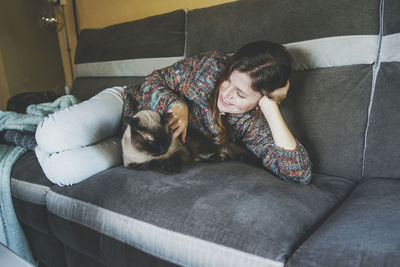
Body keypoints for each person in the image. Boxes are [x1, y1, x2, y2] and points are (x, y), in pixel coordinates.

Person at [35, 40, 312, 186]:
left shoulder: (252, 124)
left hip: (137, 148)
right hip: (126, 105)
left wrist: (270, 108)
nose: (226, 94)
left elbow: (298, 175)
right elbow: (151, 82)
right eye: (230, 80)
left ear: (262, 97)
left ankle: (30, 147)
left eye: (241, 94)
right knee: (51, 135)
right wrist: (176, 105)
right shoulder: (211, 66)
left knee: (63, 171)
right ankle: (35, 137)